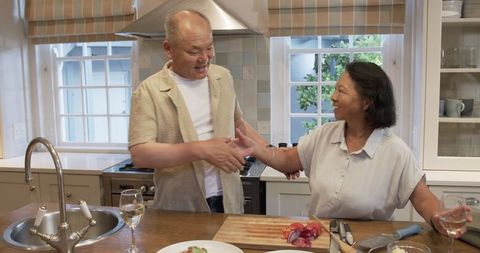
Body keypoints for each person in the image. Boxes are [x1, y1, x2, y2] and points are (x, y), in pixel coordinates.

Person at [235, 61, 471, 236]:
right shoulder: (325, 134)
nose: (333, 96)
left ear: (367, 101)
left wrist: (438, 216)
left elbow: (423, 199)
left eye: (342, 91)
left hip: (370, 245)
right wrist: (254, 148)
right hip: (320, 239)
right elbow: (288, 160)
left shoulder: (395, 151)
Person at [128, 9, 263, 214]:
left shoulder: (223, 77)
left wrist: (274, 156)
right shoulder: (149, 91)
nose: (205, 58)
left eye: (209, 48)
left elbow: (238, 124)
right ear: (168, 49)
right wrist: (203, 149)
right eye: (194, 52)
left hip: (229, 202)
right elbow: (140, 154)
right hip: (180, 207)